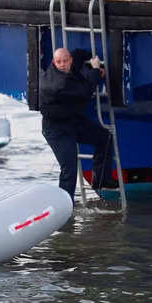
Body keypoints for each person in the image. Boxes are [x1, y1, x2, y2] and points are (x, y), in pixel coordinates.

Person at [39, 48, 116, 199]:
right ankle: (66, 206)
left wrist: (91, 58)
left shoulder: (67, 67)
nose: (62, 65)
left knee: (104, 137)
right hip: (57, 131)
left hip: (72, 122)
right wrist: (94, 70)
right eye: (59, 62)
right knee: (69, 169)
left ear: (70, 60)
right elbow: (84, 92)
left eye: (65, 61)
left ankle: (101, 180)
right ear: (53, 63)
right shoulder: (59, 84)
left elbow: (78, 53)